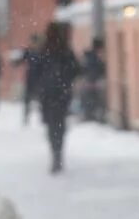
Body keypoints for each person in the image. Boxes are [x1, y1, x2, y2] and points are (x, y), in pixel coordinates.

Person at [38, 22, 80, 174]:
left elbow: (36, 71)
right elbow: (76, 69)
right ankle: (58, 152)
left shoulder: (44, 50)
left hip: (48, 94)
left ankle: (55, 152)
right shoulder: (65, 50)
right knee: (59, 124)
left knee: (51, 125)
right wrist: (66, 80)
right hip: (62, 94)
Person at [80, 37, 107, 123]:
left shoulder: (88, 56)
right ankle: (92, 118)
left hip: (88, 82)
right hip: (92, 83)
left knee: (90, 101)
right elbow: (94, 70)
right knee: (94, 100)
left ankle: (90, 116)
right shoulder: (93, 58)